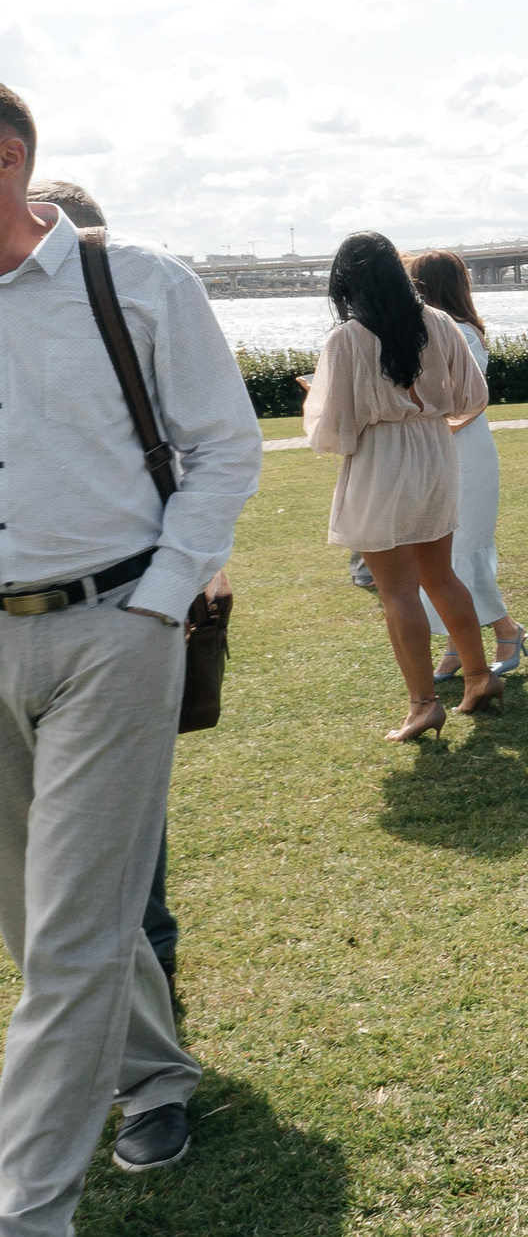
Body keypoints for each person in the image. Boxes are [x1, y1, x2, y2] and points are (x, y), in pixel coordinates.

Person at [0, 84, 259, 1203]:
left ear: (7, 160)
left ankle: (30, 1208)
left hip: (116, 629)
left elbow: (225, 445)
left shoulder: (141, 281)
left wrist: (156, 601)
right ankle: (153, 1069)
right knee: (32, 911)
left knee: (67, 935)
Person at [21, 180, 191, 995]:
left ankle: (146, 957)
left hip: (121, 602)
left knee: (116, 823)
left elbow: (193, 449)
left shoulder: (137, 291)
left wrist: (168, 585)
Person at [305, 232, 502, 741]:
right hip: (436, 452)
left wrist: (330, 406)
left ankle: (422, 703)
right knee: (441, 575)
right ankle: (479, 676)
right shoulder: (438, 323)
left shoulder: (347, 339)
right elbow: (473, 395)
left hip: (381, 460)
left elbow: (334, 430)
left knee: (397, 590)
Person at [405, 250, 528, 678]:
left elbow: (466, 403)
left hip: (464, 450)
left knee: (463, 551)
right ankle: (461, 644)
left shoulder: (460, 333)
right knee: (441, 554)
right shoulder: (427, 331)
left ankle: (504, 629)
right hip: (439, 450)